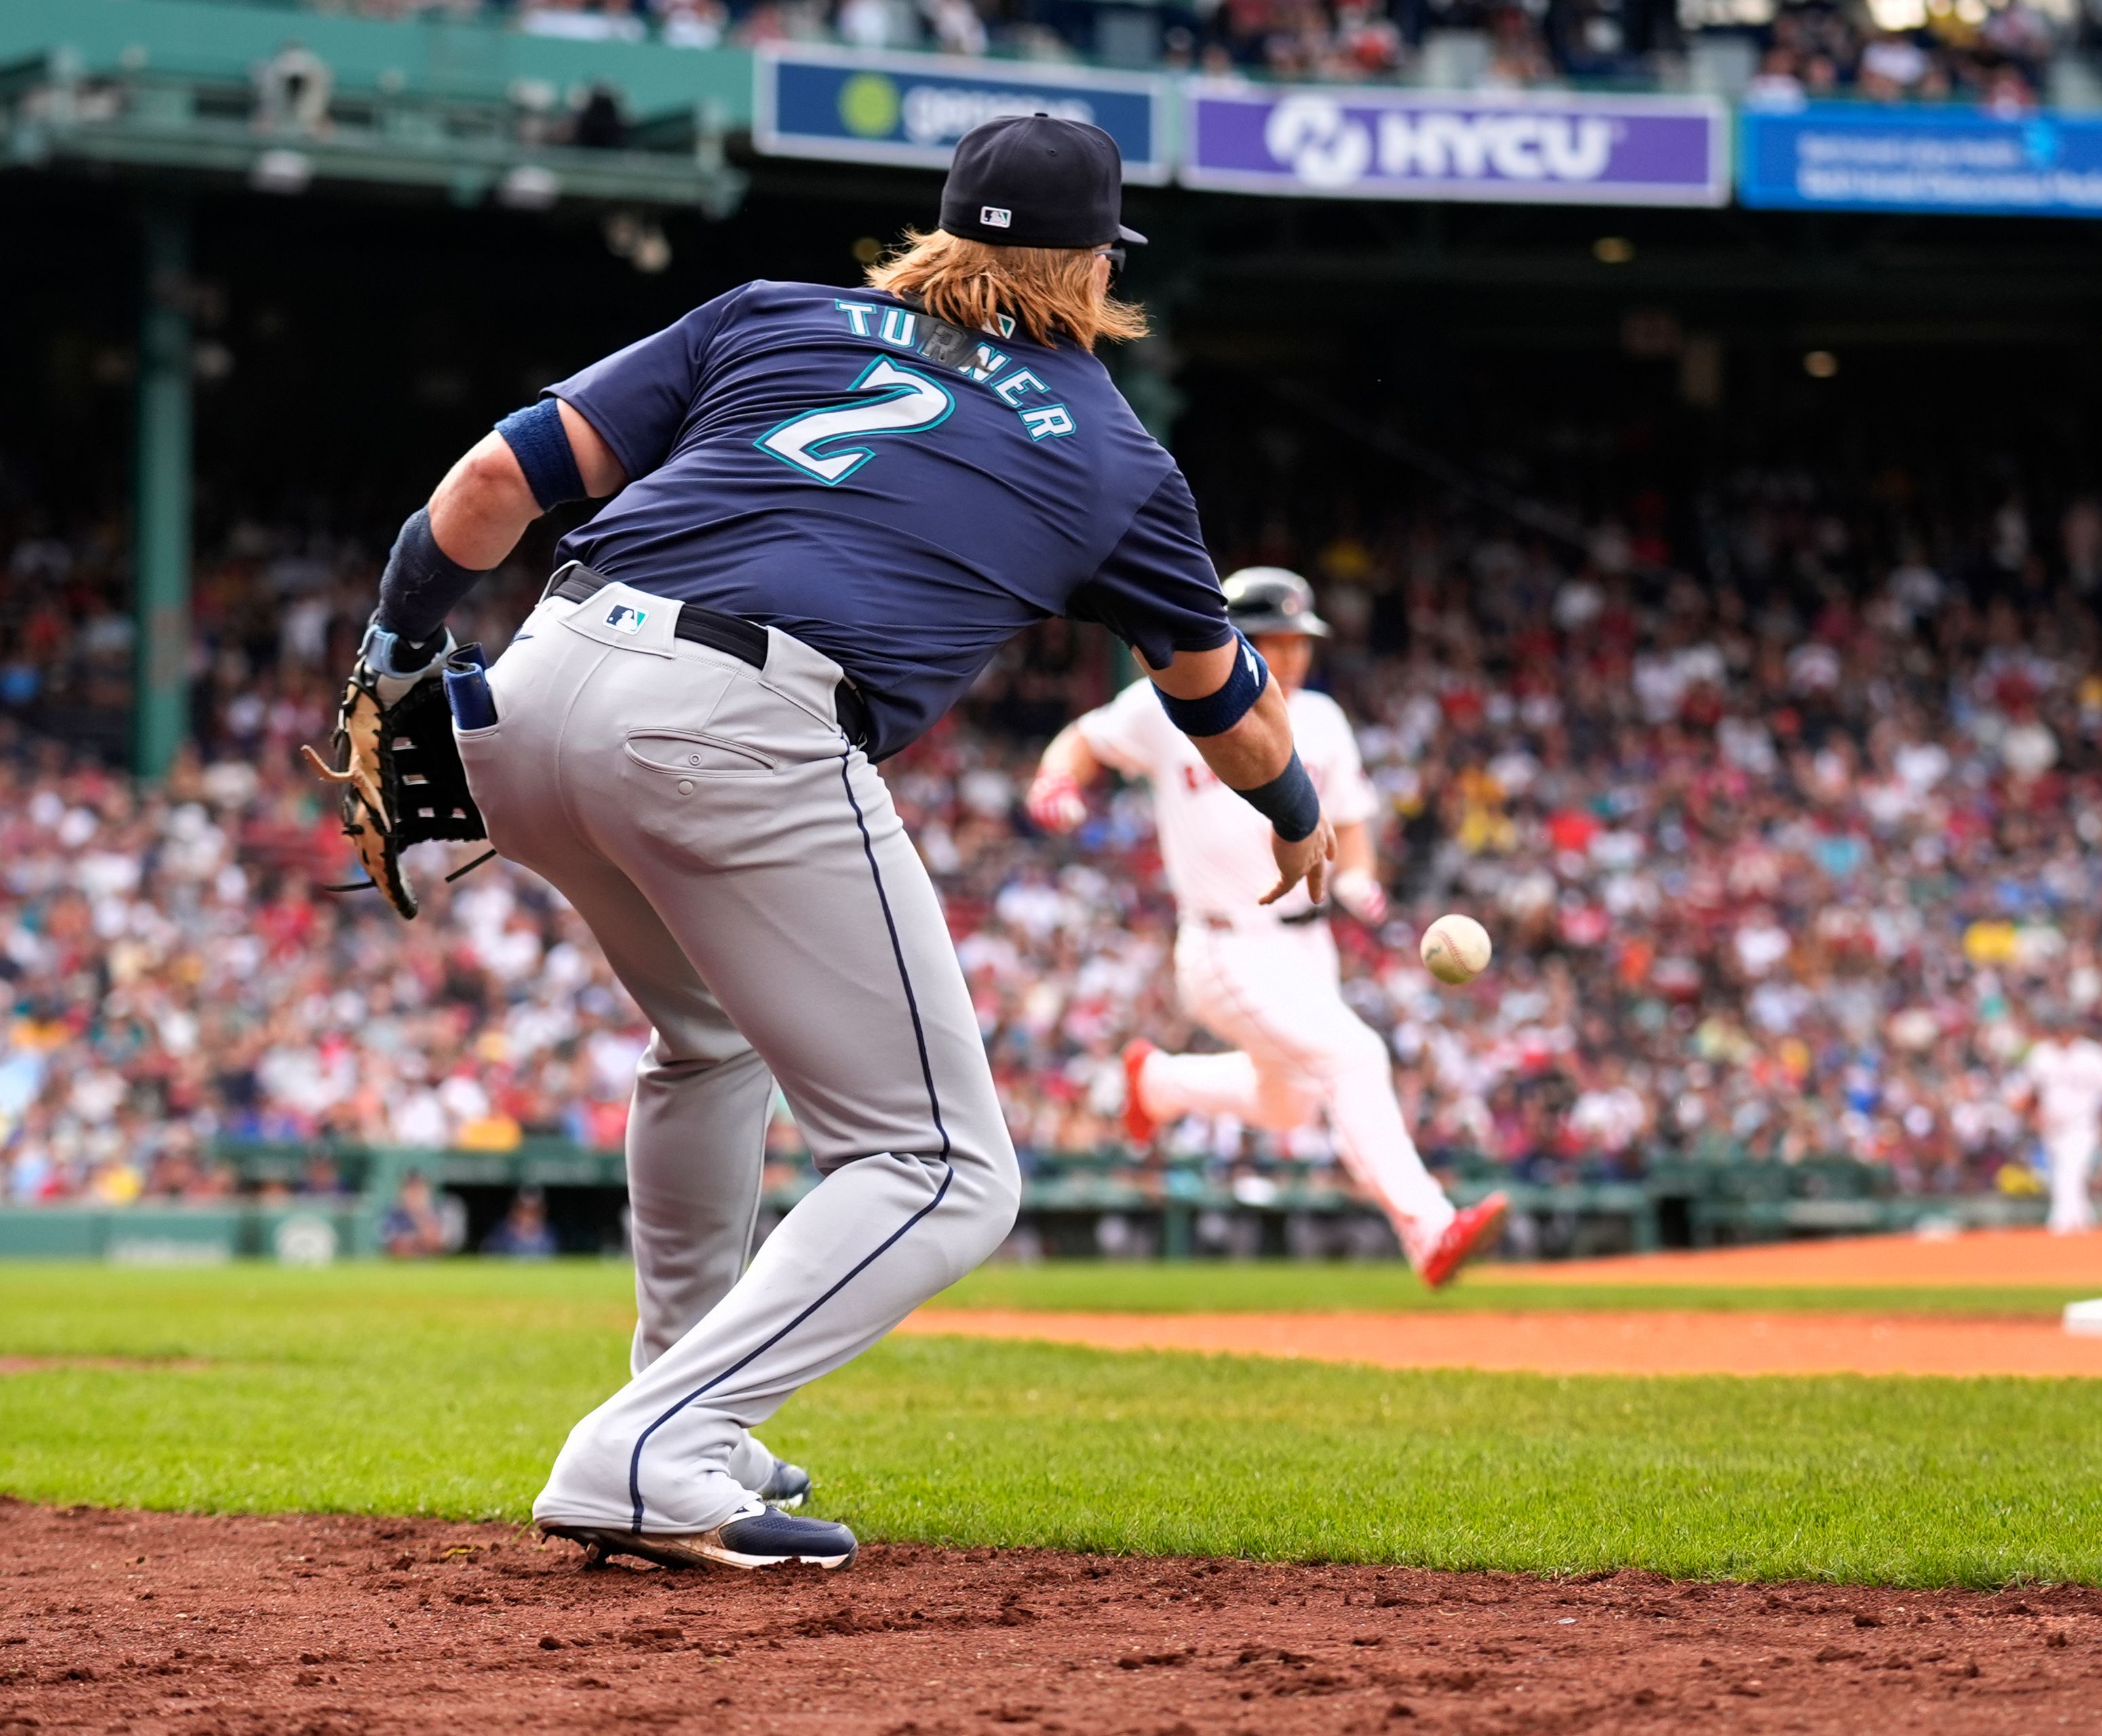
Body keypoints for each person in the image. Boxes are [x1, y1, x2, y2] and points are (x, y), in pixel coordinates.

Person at [346, 114, 1333, 1570]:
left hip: (539, 686)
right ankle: (648, 1448)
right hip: (735, 725)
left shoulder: (771, 314)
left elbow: (492, 489)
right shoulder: (1118, 457)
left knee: (708, 1038)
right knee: (944, 1166)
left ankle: (686, 1416)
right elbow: (1221, 699)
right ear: (1096, 268)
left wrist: (395, 648)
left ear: (940, 227)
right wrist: (1298, 815)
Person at [1026, 570, 1509, 1286]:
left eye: (1298, 642)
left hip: (1309, 944)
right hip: (1225, 943)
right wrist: (1056, 781)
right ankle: (1429, 1227)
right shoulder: (1169, 703)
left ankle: (1159, 1084)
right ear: (1235, 638)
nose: (1289, 657)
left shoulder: (1322, 719)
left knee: (1290, 1107)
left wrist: (1358, 880)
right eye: (1274, 641)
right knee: (1355, 1056)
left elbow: (1351, 824)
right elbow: (1084, 738)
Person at [2017, 1009, 2102, 1235]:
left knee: (2070, 1173)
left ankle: (2060, 1227)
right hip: (2052, 1128)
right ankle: (2084, 1225)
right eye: (2056, 1029)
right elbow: (2030, 1092)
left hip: (2083, 1124)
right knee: (2061, 1177)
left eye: (2064, 1028)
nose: (2061, 1033)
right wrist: (2033, 1115)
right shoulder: (2042, 1054)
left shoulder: (2093, 1055)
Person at [378, 1170, 450, 1259]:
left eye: (419, 1188)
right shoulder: (392, 1215)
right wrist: (420, 1239)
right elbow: (395, 1248)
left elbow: (438, 1245)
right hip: (400, 1269)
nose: (415, 1193)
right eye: (410, 1188)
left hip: (433, 1268)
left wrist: (420, 1218)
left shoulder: (440, 1211)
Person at [482, 1186, 561, 1258]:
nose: (528, 1215)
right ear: (514, 1208)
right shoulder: (500, 1234)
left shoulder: (550, 1235)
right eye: (523, 1208)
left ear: (543, 1210)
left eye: (534, 1210)